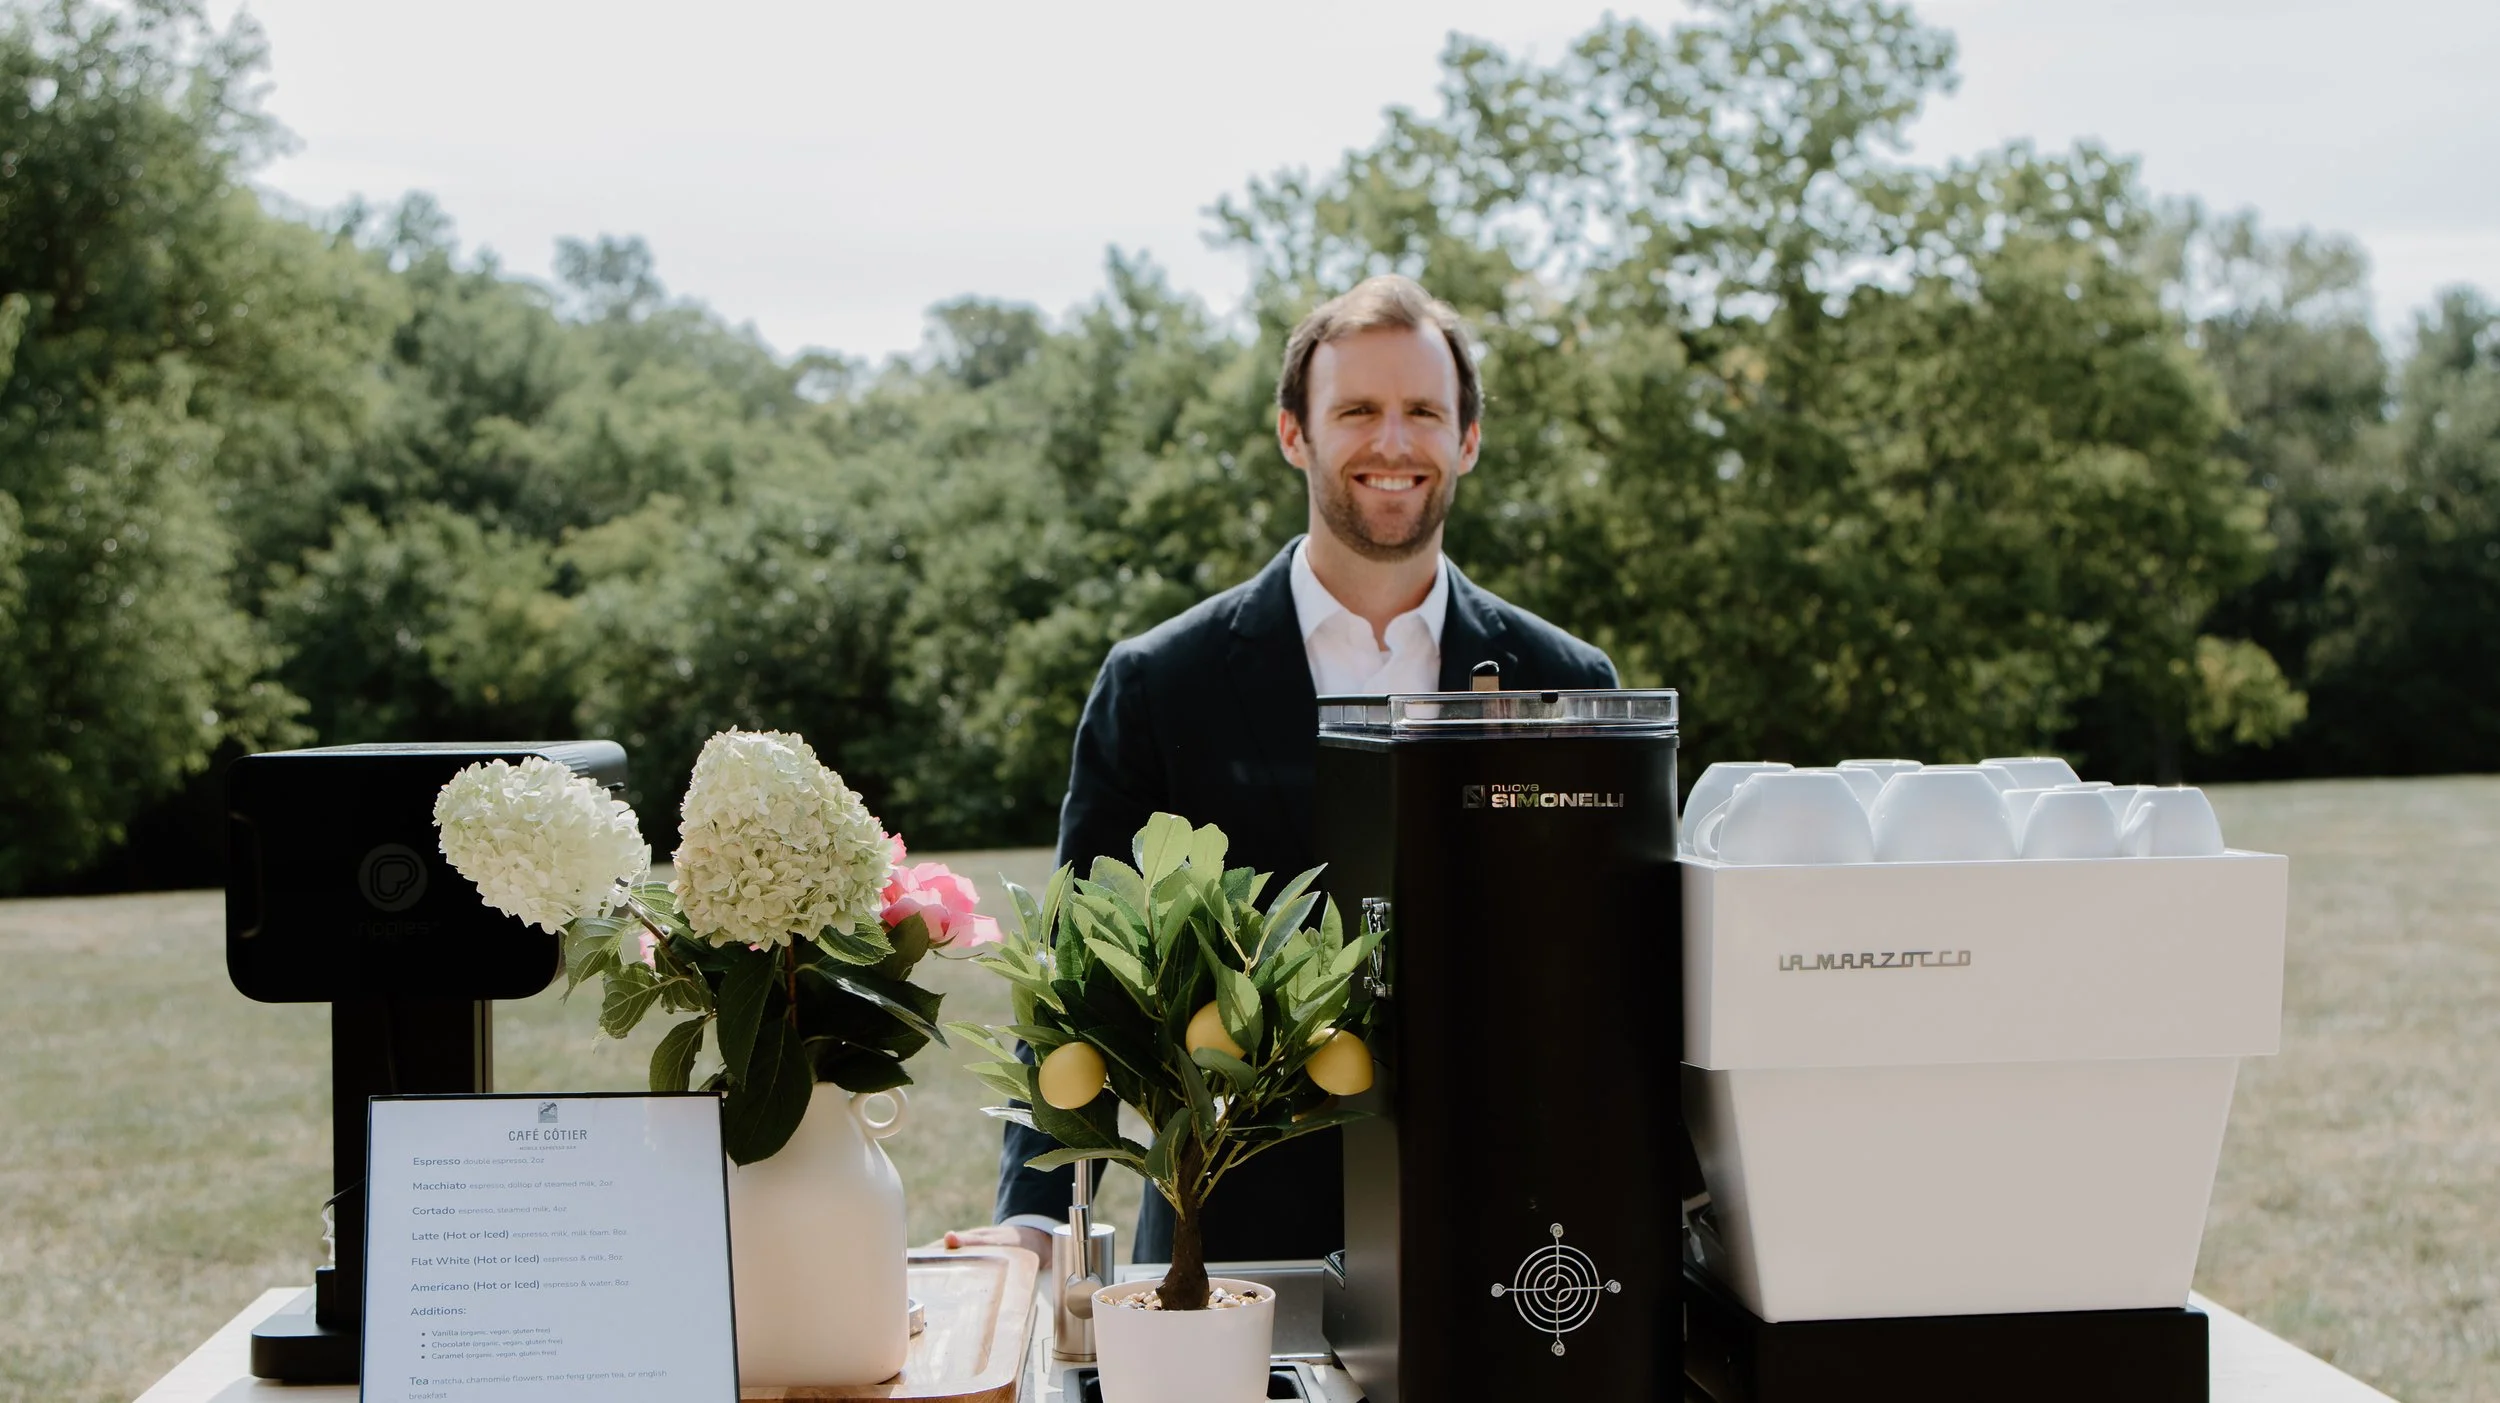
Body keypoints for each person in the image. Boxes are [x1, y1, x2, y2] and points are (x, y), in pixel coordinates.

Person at [951, 274, 1620, 1267]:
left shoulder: (1569, 683)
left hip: (1507, 1243)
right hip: (1221, 1249)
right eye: (1356, 409)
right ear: (1293, 434)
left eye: (1422, 412)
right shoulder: (1157, 682)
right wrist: (1036, 1212)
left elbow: (1606, 975)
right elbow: (1073, 970)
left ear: (1467, 440)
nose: (1391, 442)